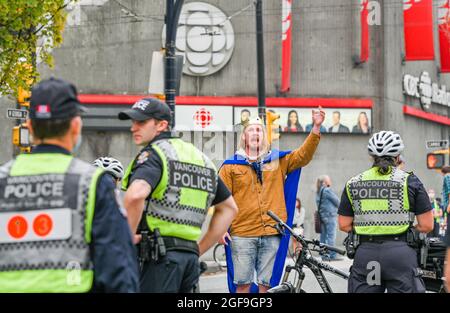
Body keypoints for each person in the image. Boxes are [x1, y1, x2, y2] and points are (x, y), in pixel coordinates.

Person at [0, 78, 139, 292]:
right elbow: (118, 270)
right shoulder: (92, 183)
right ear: (75, 126)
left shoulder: (3, 179)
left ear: (29, 126)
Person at [118, 98, 238, 293]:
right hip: (190, 260)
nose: (133, 127)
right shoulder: (202, 159)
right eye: (133, 122)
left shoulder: (154, 155)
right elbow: (229, 208)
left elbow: (135, 195)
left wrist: (126, 238)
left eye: (141, 122)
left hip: (157, 259)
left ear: (161, 125)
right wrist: (199, 248)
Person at [219, 108, 325, 293]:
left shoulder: (278, 161)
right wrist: (220, 229)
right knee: (242, 284)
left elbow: (303, 156)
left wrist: (316, 127)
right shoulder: (230, 166)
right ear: (243, 137)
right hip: (242, 233)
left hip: (271, 232)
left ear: (265, 136)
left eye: (259, 130)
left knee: (267, 286)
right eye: (250, 130)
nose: (255, 134)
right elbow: (220, 199)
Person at [338, 130, 434, 293]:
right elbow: (427, 225)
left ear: (372, 157)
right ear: (397, 157)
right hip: (400, 256)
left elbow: (343, 224)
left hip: (367, 256)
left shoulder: (354, 183)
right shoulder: (410, 181)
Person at [316, 175, 341, 261]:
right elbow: (337, 201)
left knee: (323, 237)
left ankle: (324, 256)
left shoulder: (318, 191)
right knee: (331, 236)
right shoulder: (327, 190)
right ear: (325, 182)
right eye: (329, 180)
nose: (330, 181)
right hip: (330, 216)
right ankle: (332, 255)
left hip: (322, 216)